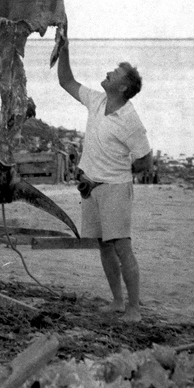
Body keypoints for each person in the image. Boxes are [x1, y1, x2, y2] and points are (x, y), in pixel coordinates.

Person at [57, 27, 152, 322]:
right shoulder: (96, 100)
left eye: (115, 73)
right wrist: (64, 48)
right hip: (91, 188)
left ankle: (134, 309)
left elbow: (145, 161)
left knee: (122, 246)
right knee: (103, 245)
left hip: (114, 189)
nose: (109, 73)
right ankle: (117, 301)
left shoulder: (130, 119)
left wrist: (116, 173)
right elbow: (66, 81)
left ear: (124, 87)